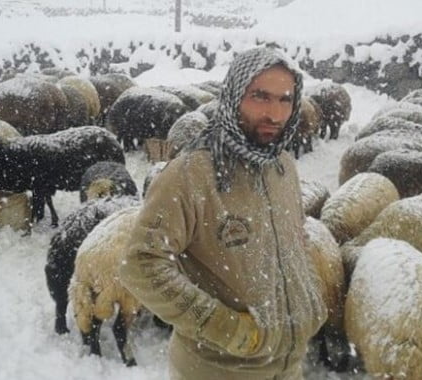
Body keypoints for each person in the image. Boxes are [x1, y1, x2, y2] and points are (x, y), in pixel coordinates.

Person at [120, 47, 327, 380]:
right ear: (234, 96)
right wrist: (225, 327)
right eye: (260, 96)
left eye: (285, 99)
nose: (274, 114)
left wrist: (308, 300)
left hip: (289, 365)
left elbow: (294, 240)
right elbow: (141, 264)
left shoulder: (283, 165)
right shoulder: (190, 172)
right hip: (220, 369)